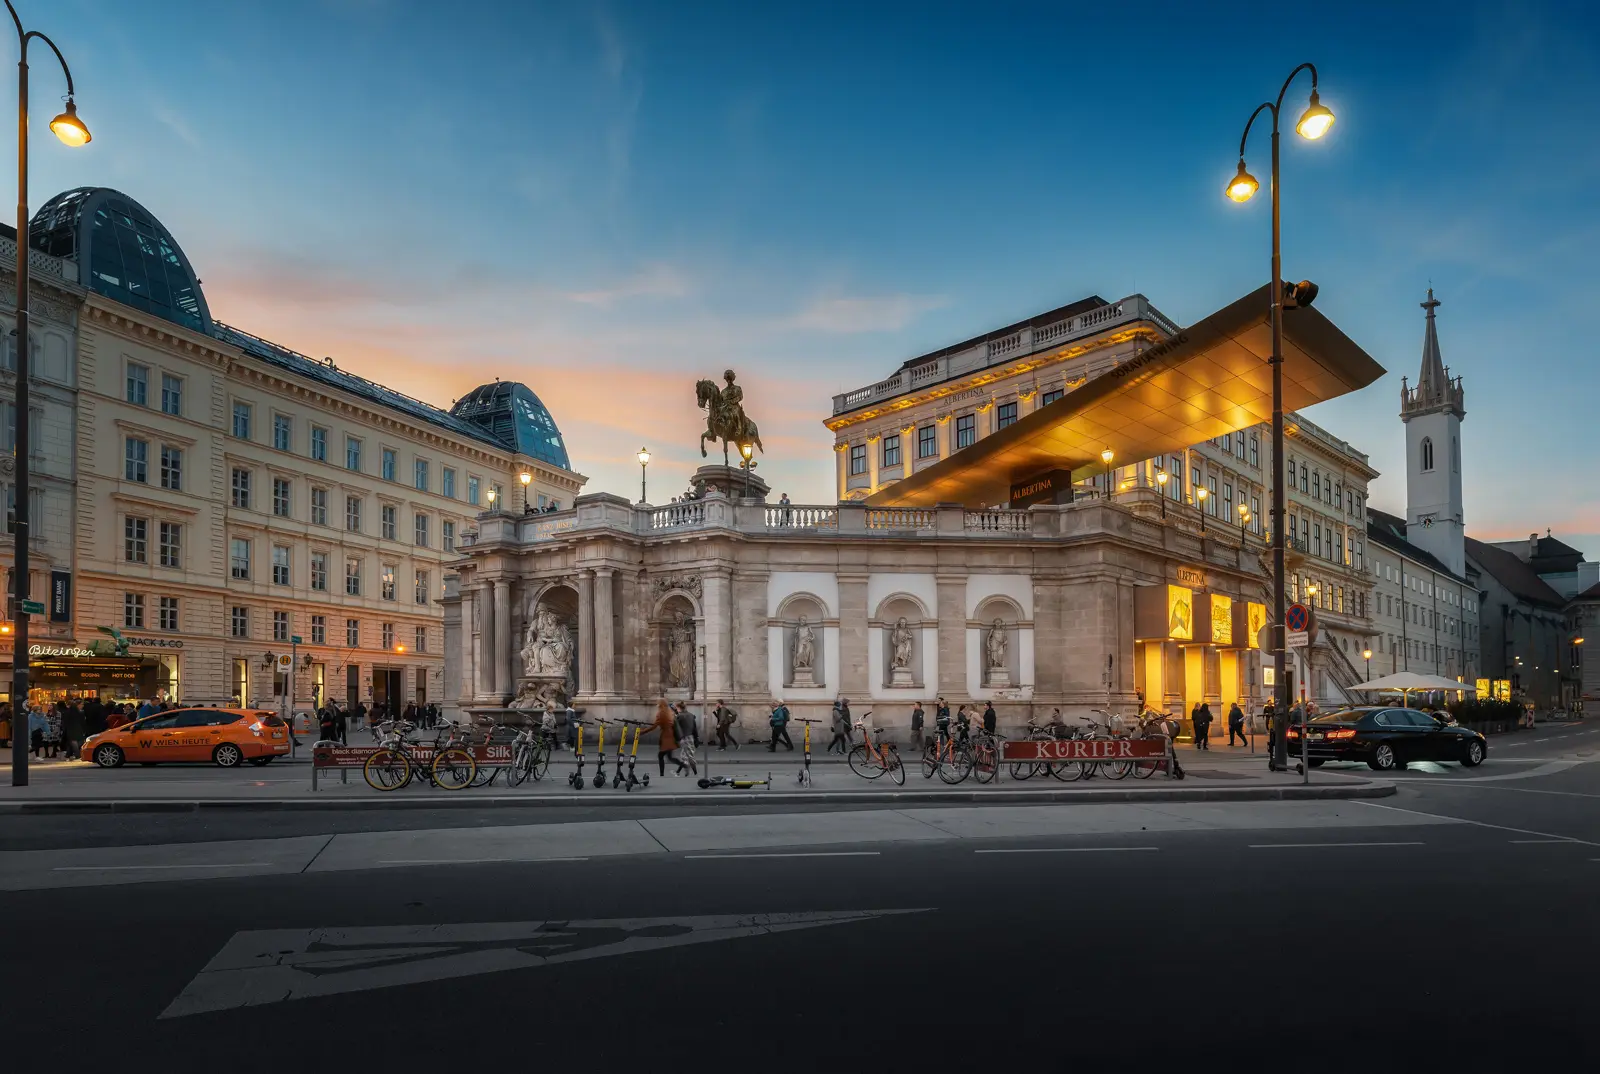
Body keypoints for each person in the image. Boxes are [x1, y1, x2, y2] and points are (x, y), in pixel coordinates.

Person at [642, 700, 687, 777]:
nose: (657, 705)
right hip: (670, 736)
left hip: (666, 737)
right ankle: (683, 766)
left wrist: (643, 731)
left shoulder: (661, 713)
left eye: (658, 704)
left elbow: (654, 726)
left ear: (661, 705)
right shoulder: (669, 712)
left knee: (663, 756)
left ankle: (663, 774)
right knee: (669, 757)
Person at [673, 703, 700, 774]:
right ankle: (680, 772)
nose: (676, 709)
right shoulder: (691, 715)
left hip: (684, 738)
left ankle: (690, 771)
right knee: (686, 755)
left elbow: (676, 728)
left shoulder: (679, 716)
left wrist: (675, 739)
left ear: (679, 708)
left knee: (687, 756)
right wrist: (696, 738)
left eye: (676, 708)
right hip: (691, 737)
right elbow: (694, 728)